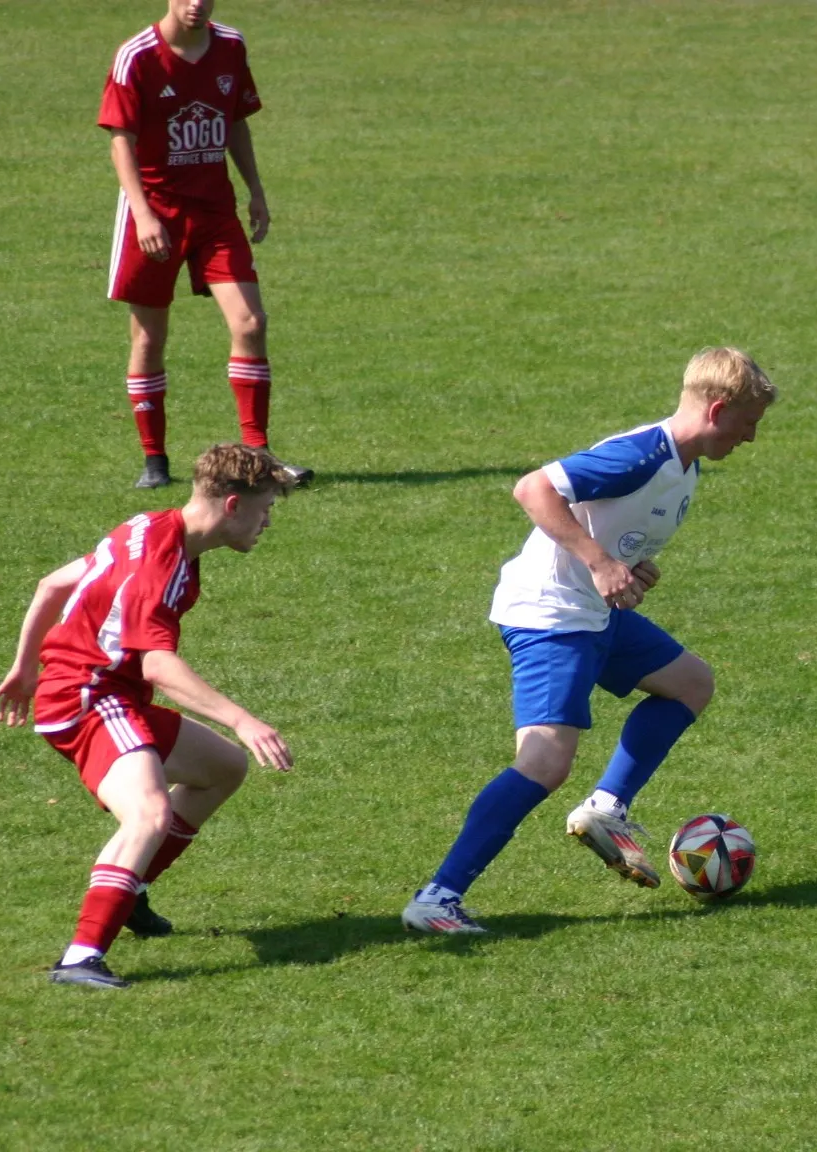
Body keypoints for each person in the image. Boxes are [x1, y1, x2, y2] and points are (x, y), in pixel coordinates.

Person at [402, 348, 778, 934]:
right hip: (550, 616)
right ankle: (437, 899)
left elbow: (611, 527)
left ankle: (606, 809)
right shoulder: (640, 455)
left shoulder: (685, 463)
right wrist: (601, 563)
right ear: (718, 408)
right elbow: (533, 489)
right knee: (546, 761)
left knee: (689, 684)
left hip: (595, 613)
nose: (752, 438)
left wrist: (630, 566)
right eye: (748, 423)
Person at [0, 444, 297, 988]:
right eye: (266, 506)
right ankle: (81, 957)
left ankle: (130, 890)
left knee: (223, 769)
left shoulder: (149, 525)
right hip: (90, 697)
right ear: (231, 505)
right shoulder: (164, 564)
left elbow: (53, 584)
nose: (269, 520)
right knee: (149, 815)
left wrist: (24, 667)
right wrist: (243, 720)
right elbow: (157, 664)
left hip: (100, 691)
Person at [99, 0, 312, 490]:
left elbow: (236, 120)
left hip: (216, 211)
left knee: (250, 323)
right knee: (149, 338)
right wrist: (144, 214)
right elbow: (119, 140)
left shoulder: (231, 46)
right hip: (155, 211)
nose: (196, 3)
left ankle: (257, 455)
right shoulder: (138, 55)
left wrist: (255, 189)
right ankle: (154, 459)